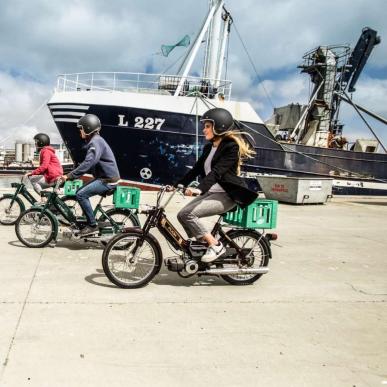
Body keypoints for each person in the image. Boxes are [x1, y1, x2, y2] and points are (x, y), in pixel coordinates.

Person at [175, 108, 257, 263]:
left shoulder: (231, 147)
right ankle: (201, 245)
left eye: (207, 126)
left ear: (219, 126)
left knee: (188, 214)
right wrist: (177, 185)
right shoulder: (209, 148)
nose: (204, 129)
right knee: (181, 214)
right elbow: (196, 169)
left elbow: (217, 173)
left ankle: (216, 245)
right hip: (212, 192)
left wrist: (199, 189)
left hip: (226, 195)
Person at [61, 114, 120, 236]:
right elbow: (88, 162)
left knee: (81, 194)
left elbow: (89, 162)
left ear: (88, 128)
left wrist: (70, 176)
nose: (80, 131)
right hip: (104, 178)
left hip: (107, 180)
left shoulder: (95, 142)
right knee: (80, 191)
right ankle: (89, 219)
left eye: (81, 129)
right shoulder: (96, 141)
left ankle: (92, 225)